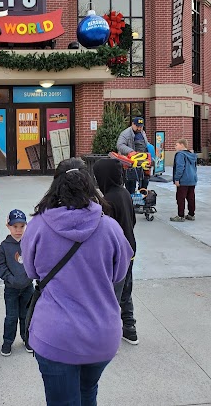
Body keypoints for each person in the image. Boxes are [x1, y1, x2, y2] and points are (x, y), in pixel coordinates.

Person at [21, 157, 133, 406]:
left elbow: (31, 271)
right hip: (102, 335)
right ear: (90, 184)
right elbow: (119, 274)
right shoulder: (110, 228)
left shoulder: (38, 226)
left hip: (55, 336)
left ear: (56, 185)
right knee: (87, 392)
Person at [93, 157, 138, 345]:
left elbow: (105, 231)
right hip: (130, 251)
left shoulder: (108, 199)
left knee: (111, 296)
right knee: (125, 292)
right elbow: (133, 220)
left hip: (116, 257)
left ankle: (110, 338)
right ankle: (130, 329)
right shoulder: (124, 193)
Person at [0, 209, 34, 357]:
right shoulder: (4, 247)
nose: (18, 230)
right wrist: (10, 279)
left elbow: (34, 262)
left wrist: (30, 277)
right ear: (8, 226)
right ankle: (7, 342)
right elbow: (1, 266)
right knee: (11, 317)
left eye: (21, 226)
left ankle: (27, 339)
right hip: (11, 289)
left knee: (26, 315)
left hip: (27, 288)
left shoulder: (29, 244)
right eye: (15, 226)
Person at [117, 116, 149, 194]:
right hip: (130, 162)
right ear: (132, 124)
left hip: (142, 160)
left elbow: (145, 144)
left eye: (141, 126)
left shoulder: (142, 132)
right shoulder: (125, 133)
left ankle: (142, 197)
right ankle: (130, 199)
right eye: (137, 126)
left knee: (145, 180)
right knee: (130, 182)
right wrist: (131, 152)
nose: (139, 128)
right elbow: (120, 145)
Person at [170, 139, 198, 222]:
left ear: (182, 145)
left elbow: (180, 167)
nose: (175, 147)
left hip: (183, 179)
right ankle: (191, 214)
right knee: (191, 197)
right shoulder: (192, 155)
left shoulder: (180, 154)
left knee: (180, 198)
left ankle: (180, 215)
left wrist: (177, 179)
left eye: (176, 145)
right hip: (192, 179)